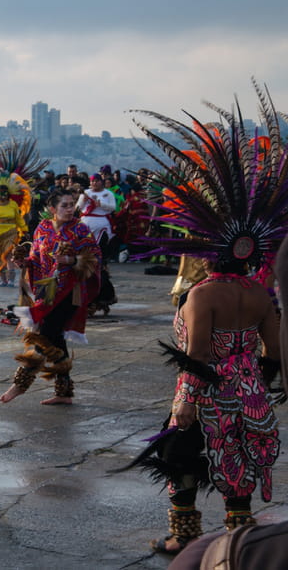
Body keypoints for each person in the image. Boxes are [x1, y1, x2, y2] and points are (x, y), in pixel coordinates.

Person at [119, 86, 288, 556]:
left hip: (206, 389)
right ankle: (239, 532)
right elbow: (274, 349)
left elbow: (195, 355)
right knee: (237, 459)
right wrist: (257, 382)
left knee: (179, 458)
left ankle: (184, 536)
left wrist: (188, 402)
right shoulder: (259, 294)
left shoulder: (202, 293)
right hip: (249, 390)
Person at [0, 188, 100, 405]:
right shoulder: (42, 228)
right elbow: (36, 256)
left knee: (44, 336)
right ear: (52, 209)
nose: (70, 208)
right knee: (56, 338)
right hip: (46, 291)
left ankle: (20, 383)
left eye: (72, 204)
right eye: (64, 205)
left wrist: (72, 261)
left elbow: (95, 259)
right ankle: (64, 392)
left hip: (69, 293)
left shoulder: (80, 230)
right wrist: (24, 263)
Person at [77, 174, 117, 314]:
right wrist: (84, 199)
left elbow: (112, 207)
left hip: (102, 226)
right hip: (85, 226)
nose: (94, 183)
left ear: (101, 182)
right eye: (92, 181)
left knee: (98, 260)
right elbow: (78, 207)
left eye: (97, 181)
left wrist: (101, 204)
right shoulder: (86, 193)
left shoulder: (108, 193)